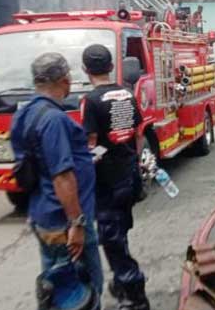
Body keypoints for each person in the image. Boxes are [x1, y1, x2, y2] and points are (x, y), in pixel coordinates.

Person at [10, 53, 103, 305]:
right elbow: (62, 175)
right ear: (65, 80)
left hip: (44, 214)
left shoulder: (25, 114)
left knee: (58, 291)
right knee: (85, 293)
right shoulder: (54, 120)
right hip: (64, 223)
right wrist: (77, 223)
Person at [80, 45, 150, 310]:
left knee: (112, 239)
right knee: (120, 233)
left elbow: (93, 146)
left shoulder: (91, 100)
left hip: (107, 181)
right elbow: (139, 133)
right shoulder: (127, 94)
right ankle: (123, 283)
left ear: (86, 70)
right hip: (129, 175)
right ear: (111, 67)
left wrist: (89, 161)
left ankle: (135, 296)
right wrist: (132, 158)